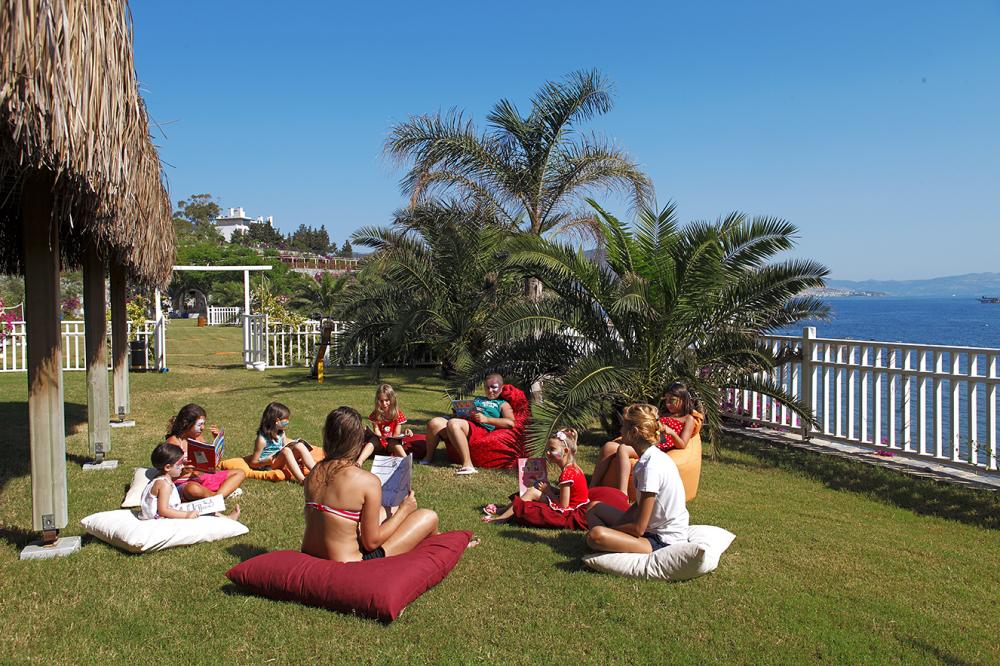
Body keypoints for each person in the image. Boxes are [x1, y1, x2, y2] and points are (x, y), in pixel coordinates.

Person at [301, 406, 442, 562]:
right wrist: (405, 510)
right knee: (428, 517)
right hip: (349, 564)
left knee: (388, 510)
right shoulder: (367, 481)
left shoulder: (315, 472)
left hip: (311, 553)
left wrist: (397, 510)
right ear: (358, 440)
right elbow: (371, 543)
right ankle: (436, 551)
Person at [586, 403, 689, 553]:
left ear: (633, 432)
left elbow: (638, 528)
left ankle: (607, 545)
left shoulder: (650, 468)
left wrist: (612, 530)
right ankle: (609, 544)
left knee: (595, 535)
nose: (620, 430)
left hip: (663, 540)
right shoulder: (651, 458)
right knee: (594, 508)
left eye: (623, 426)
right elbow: (639, 504)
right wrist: (618, 525)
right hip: (651, 528)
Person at [589, 383, 701, 494]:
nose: (668, 404)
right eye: (666, 400)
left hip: (656, 447)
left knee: (623, 449)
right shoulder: (663, 414)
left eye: (672, 400)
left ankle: (623, 493)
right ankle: (591, 488)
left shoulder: (688, 419)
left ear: (683, 399)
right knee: (609, 446)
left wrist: (670, 432)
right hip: (644, 439)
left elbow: (682, 444)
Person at [482, 428, 588, 524]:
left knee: (532, 492)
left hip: (569, 510)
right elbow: (570, 494)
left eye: (552, 449)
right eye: (548, 449)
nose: (548, 452)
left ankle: (502, 518)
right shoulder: (574, 468)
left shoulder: (567, 473)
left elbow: (564, 505)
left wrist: (548, 491)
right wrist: (551, 489)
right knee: (533, 490)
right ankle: (503, 510)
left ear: (565, 451)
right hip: (575, 505)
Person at [421, 373, 515, 475]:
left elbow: (510, 423)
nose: (490, 390)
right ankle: (428, 458)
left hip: (481, 428)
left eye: (493, 387)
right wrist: (458, 412)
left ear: (501, 388)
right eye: (487, 387)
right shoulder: (478, 399)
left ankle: (468, 465)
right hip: (467, 422)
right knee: (434, 423)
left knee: (454, 423)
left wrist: (486, 419)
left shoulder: (502, 404)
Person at [165, 403, 246, 501]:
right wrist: (183, 471)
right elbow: (167, 473)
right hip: (184, 483)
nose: (203, 427)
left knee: (240, 473)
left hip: (203, 478)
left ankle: (215, 497)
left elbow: (206, 461)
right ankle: (221, 494)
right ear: (187, 424)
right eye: (199, 424)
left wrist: (217, 442)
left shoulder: (198, 438)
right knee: (193, 489)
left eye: (204, 424)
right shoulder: (174, 442)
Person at [140, 443, 240, 521]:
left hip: (172, 509)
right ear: (168, 467)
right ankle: (226, 520)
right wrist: (186, 515)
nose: (182, 467)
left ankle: (227, 519)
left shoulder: (164, 479)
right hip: (159, 518)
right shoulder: (164, 484)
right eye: (180, 464)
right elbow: (163, 511)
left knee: (201, 507)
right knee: (196, 512)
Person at [247, 402, 317, 483]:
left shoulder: (281, 433)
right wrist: (266, 461)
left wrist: (294, 445)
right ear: (277, 421)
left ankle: (318, 472)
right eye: (286, 420)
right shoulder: (262, 440)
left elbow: (285, 446)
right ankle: (303, 481)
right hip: (268, 465)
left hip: (279, 460)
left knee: (300, 445)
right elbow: (253, 463)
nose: (288, 422)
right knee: (286, 451)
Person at [357, 383, 412, 465]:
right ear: (377, 401)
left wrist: (404, 433)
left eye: (387, 400)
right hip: (379, 441)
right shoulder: (376, 414)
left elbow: (396, 434)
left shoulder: (398, 415)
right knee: (372, 442)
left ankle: (407, 461)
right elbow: (376, 430)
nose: (384, 404)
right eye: (381, 401)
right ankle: (359, 461)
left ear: (392, 400)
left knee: (395, 444)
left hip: (391, 442)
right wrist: (380, 437)